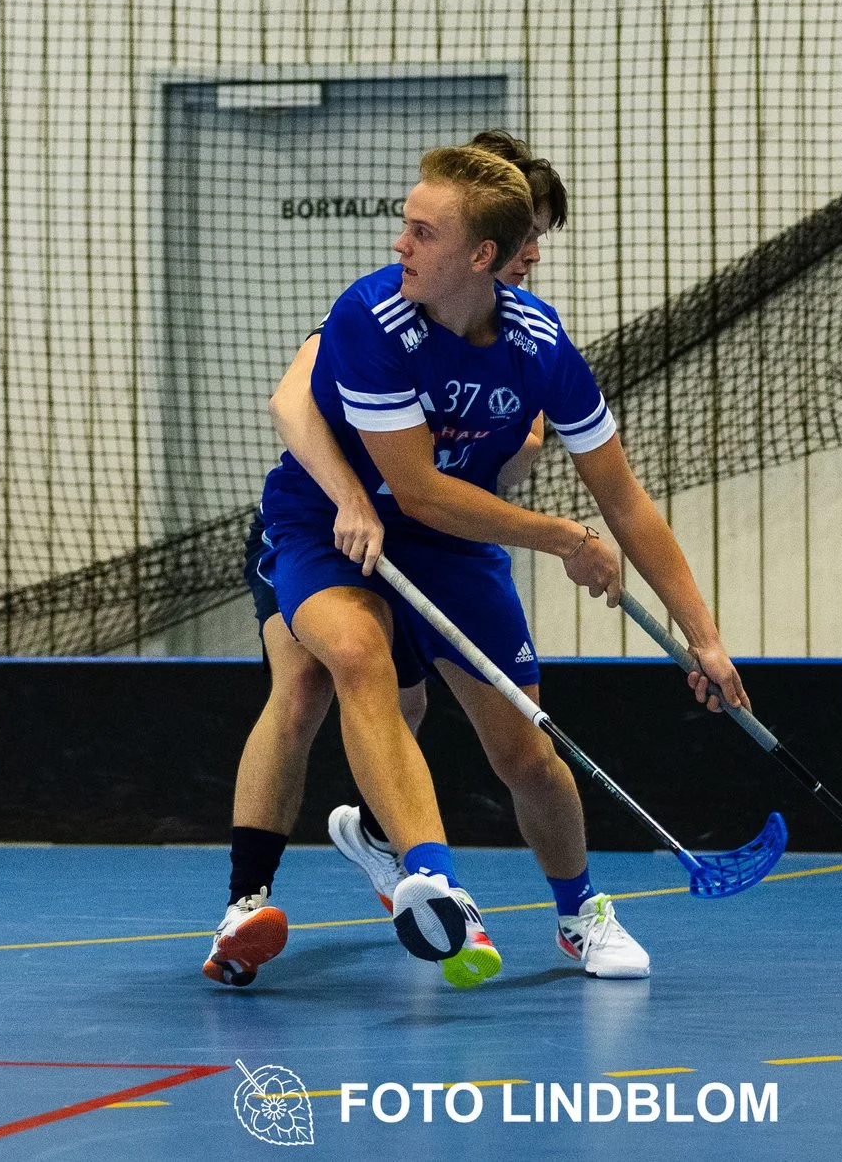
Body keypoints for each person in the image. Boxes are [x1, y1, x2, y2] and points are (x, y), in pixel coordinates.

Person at [256, 144, 747, 991]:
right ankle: (429, 876)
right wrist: (561, 537)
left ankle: (579, 912)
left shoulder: (541, 344)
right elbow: (415, 492)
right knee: (362, 670)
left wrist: (704, 638)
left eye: (420, 230)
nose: (399, 243)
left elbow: (625, 501)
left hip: (450, 549)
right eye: (405, 225)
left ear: (480, 257)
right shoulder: (370, 321)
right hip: (345, 525)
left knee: (526, 749)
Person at [204, 135, 564, 989]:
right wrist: (354, 498)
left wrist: (516, 444)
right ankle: (244, 903)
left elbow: (481, 462)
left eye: (541, 237)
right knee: (305, 685)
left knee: (403, 700)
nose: (535, 254)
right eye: (528, 236)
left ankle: (381, 842)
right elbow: (293, 404)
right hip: (319, 523)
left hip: (417, 545)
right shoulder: (378, 312)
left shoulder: (511, 335)